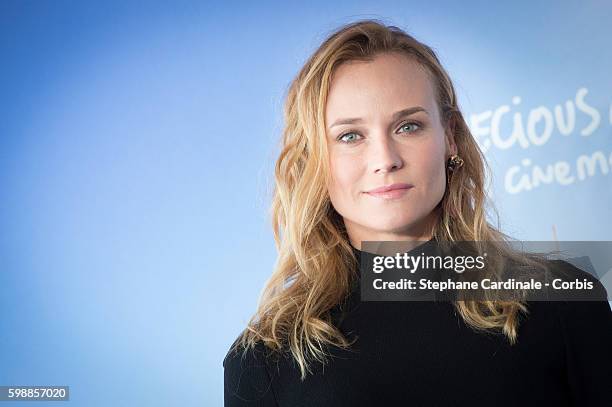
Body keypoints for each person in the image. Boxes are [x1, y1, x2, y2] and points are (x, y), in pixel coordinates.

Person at [223, 19, 612, 406]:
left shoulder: (563, 301)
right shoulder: (263, 360)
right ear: (314, 162)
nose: (385, 160)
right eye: (350, 136)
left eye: (408, 126)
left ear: (451, 138)